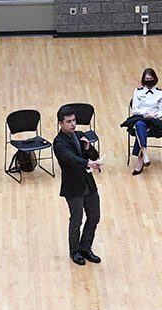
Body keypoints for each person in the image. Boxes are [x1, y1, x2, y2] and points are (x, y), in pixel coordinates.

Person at [53, 104, 102, 266]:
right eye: (68, 121)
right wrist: (88, 162)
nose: (73, 124)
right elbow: (71, 159)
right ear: (61, 123)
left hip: (88, 183)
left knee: (94, 216)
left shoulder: (80, 135)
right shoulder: (59, 142)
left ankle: (86, 248)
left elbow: (94, 155)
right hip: (73, 187)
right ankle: (75, 251)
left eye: (74, 120)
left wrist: (88, 148)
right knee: (76, 220)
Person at [126, 68, 162, 175]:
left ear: (154, 79)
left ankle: (141, 159)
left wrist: (154, 115)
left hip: (154, 121)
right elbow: (135, 109)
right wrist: (145, 114)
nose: (148, 80)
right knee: (140, 125)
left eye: (150, 78)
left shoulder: (160, 93)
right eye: (147, 79)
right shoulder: (138, 91)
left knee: (140, 130)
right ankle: (144, 153)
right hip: (141, 118)